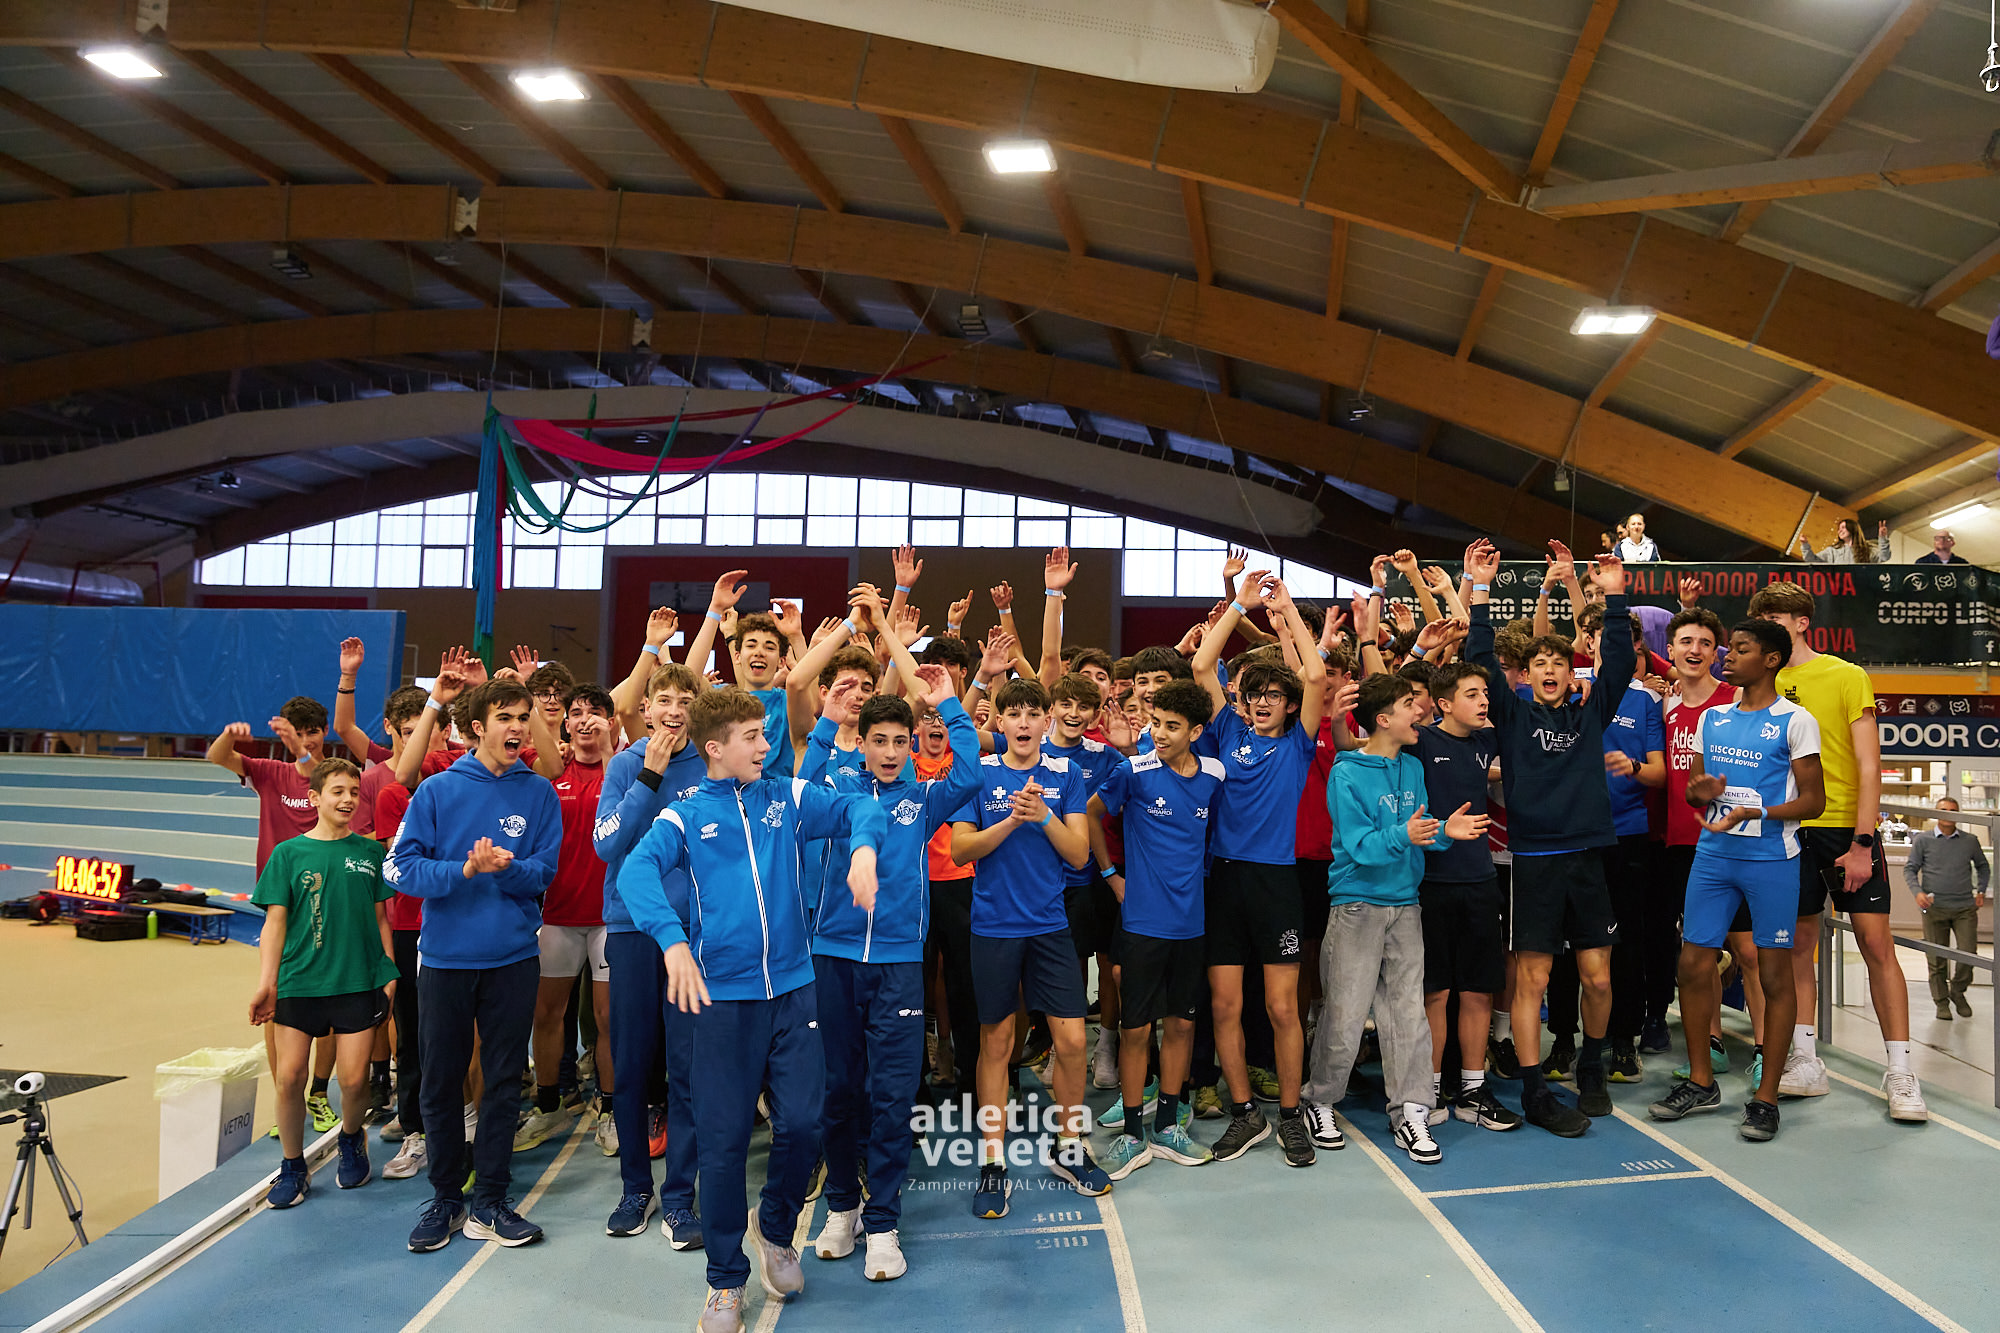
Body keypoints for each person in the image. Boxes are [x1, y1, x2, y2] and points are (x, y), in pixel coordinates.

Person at [618, 687, 885, 1333]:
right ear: (715, 748)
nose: (766, 745)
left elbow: (860, 806)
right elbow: (634, 872)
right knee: (723, 1144)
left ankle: (775, 1229)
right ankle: (724, 1282)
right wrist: (672, 940)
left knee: (804, 1124)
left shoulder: (786, 797)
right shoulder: (683, 815)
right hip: (721, 1002)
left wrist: (863, 850)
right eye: (752, 736)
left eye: (765, 734)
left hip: (794, 991)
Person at [808, 661, 980, 1281]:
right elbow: (799, 784)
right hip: (832, 959)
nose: (887, 751)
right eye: (876, 740)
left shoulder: (923, 800)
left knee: (892, 1095)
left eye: (898, 741)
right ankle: (843, 1208)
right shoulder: (837, 792)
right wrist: (827, 721)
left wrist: (951, 704)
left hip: (899, 965)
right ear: (861, 742)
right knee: (837, 1091)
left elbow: (971, 773)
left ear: (911, 746)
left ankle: (882, 1222)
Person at [387, 676, 561, 1253]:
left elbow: (544, 872)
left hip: (514, 960)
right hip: (445, 962)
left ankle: (489, 1200)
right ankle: (444, 1197)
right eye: (505, 717)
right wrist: (463, 870)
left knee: (504, 1081)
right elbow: (399, 869)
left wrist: (507, 870)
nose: (517, 727)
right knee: (440, 1080)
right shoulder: (437, 791)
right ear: (477, 727)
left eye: (523, 717)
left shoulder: (539, 793)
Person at [1468, 538, 1634, 1138]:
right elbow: (1480, 657)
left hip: (1587, 858)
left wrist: (1614, 597)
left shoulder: (1590, 713)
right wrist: (1479, 588)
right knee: (1531, 979)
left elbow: (1620, 665)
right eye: (1539, 664)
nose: (1548, 671)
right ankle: (1534, 1088)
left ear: (1571, 673)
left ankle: (1591, 1064)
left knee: (1599, 977)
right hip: (1534, 863)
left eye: (1558, 664)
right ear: (1527, 674)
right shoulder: (1512, 716)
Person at [1751, 581, 1928, 1121]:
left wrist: (1862, 841)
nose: (1769, 628)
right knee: (1798, 947)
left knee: (1876, 945)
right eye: (1762, 619)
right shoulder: (1759, 681)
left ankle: (1901, 1072)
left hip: (1844, 829)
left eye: (1777, 618)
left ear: (1802, 622)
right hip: (1788, 830)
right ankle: (1806, 1060)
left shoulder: (1846, 675)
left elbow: (1869, 765)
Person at [1650, 620, 1823, 1142]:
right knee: (1691, 963)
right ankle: (1701, 1081)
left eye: (1740, 649)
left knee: (1773, 975)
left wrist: (1757, 811)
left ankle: (1766, 1098)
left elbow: (1814, 802)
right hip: (1713, 858)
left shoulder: (1795, 721)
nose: (1727, 656)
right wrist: (1700, 793)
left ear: (1770, 660)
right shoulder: (1713, 718)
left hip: (1771, 860)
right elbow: (1694, 791)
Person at [1305, 673, 1487, 1164]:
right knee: (1344, 1015)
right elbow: (1360, 846)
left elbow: (1419, 833)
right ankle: (1320, 1101)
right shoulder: (1346, 773)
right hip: (1357, 906)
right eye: (1410, 704)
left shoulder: (1413, 766)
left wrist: (1444, 831)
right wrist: (1407, 834)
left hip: (1406, 905)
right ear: (1383, 719)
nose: (1420, 711)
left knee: (1408, 1016)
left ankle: (1410, 1110)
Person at [949, 676, 1109, 1218]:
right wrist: (1010, 822)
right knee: (997, 1044)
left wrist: (1042, 816)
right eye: (1012, 714)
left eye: (1031, 714)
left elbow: (1080, 855)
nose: (1022, 722)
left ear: (1045, 722)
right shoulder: (979, 774)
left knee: (1072, 1042)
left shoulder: (1067, 775)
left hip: (1049, 927)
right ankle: (993, 1162)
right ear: (1000, 723)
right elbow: (961, 849)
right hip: (994, 927)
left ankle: (1069, 1145)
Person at [1188, 568, 1326, 1168]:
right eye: (1253, 695)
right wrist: (1237, 605)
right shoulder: (1226, 730)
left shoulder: (1297, 743)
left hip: (1276, 884)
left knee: (1281, 1007)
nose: (1262, 702)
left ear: (1290, 705)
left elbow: (1315, 673)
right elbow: (1202, 666)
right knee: (1223, 1006)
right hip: (1224, 880)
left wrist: (1287, 610)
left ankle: (1291, 1115)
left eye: (1273, 695)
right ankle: (1245, 1113)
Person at [1087, 678, 1227, 1179]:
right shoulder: (1134, 771)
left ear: (1196, 731)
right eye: (1156, 723)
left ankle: (1168, 1126)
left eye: (1172, 726)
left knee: (1183, 1025)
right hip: (1142, 924)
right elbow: (1092, 813)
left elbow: (1211, 835)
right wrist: (1111, 875)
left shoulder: (1213, 775)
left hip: (1191, 925)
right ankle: (1132, 1133)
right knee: (1137, 1029)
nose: (1160, 733)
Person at [593, 660, 709, 1244]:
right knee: (633, 1065)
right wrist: (648, 777)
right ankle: (635, 1188)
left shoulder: (711, 763)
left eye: (684, 701)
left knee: (687, 1068)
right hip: (633, 930)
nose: (673, 711)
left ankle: (680, 1198)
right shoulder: (624, 765)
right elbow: (607, 844)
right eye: (663, 700)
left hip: (692, 937)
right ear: (646, 710)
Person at [249, 758, 398, 1206]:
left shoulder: (369, 853)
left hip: (356, 981)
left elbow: (381, 919)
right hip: (299, 982)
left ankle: (351, 1138)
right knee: (289, 1077)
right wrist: (268, 983)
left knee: (353, 1082)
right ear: (314, 798)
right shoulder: (288, 854)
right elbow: (275, 924)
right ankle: (293, 1165)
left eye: (353, 791)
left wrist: (389, 972)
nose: (348, 799)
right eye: (337, 791)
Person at [1412, 662, 1520, 1133]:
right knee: (1435, 992)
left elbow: (1512, 708)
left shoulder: (1485, 741)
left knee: (1477, 989)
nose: (1483, 701)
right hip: (1430, 885)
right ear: (1444, 703)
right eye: (1471, 694)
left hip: (1480, 882)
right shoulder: (1420, 740)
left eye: (1484, 694)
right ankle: (1430, 1088)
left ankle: (1473, 1091)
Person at [1658, 608, 1765, 1083]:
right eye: (1686, 641)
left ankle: (1765, 1049)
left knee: (1750, 952)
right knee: (1697, 953)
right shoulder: (1665, 704)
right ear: (1671, 650)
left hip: (1733, 844)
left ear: (1715, 652)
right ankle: (1712, 1044)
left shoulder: (1735, 698)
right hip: (1682, 845)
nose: (1694, 650)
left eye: (1704, 642)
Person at [515, 684, 619, 1154]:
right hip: (558, 915)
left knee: (607, 1019)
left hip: (609, 918)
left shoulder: (622, 769)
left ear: (610, 722)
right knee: (545, 1014)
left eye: (595, 712)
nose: (584, 719)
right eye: (576, 712)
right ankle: (549, 1103)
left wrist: (611, 746)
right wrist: (529, 694)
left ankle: (611, 1109)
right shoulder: (550, 771)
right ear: (565, 723)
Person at [1598, 617, 1667, 1082]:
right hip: (1575, 837)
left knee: (1627, 944)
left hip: (1628, 835)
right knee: (1572, 948)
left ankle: (1624, 1040)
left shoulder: (1645, 700)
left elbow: (1659, 774)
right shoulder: (1573, 689)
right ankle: (1568, 1042)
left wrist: (1634, 767)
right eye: (1604, 639)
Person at [1906, 798, 1991, 1020]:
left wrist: (1981, 891)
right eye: (1944, 810)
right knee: (1936, 959)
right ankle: (1941, 1002)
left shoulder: (1969, 841)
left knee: (1968, 954)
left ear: (1958, 814)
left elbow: (1983, 866)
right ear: (1936, 813)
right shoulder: (1923, 840)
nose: (1948, 814)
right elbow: (1910, 869)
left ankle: (1958, 991)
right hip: (1934, 907)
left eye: (1953, 810)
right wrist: (1917, 892)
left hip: (1964, 908)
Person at [1799, 518, 1888, 564]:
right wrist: (1805, 545)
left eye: (1843, 527)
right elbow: (1811, 560)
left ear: (1852, 528)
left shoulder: (1867, 549)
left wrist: (1883, 538)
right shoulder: (1832, 551)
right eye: (1839, 529)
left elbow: (1884, 557)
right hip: (1840, 590)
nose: (1839, 531)